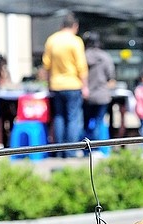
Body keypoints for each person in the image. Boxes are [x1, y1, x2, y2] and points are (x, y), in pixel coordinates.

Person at [43, 12, 88, 156]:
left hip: (56, 85)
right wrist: (85, 85)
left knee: (59, 117)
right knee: (73, 119)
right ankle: (71, 152)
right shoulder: (76, 41)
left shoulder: (52, 40)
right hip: (73, 84)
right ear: (75, 26)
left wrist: (48, 82)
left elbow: (47, 65)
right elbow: (81, 65)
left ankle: (59, 151)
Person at [83, 32, 116, 141]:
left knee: (84, 122)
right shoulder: (105, 57)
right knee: (98, 121)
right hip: (102, 95)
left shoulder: (82, 57)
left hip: (86, 95)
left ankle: (84, 147)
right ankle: (96, 148)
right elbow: (111, 77)